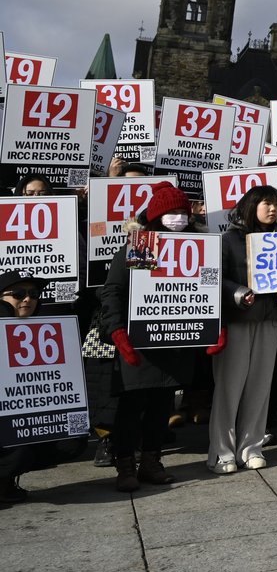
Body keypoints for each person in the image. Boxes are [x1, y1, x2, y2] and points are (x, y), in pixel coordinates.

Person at [98, 180, 211, 492]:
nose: (178, 218)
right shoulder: (143, 246)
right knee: (131, 409)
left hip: (175, 343)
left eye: (182, 212)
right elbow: (114, 292)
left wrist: (216, 328)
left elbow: (207, 289)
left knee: (162, 408)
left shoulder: (198, 247)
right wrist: (118, 331)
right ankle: (124, 465)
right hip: (140, 342)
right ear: (156, 216)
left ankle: (151, 462)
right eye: (171, 212)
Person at [211, 185, 277, 474]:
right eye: (267, 204)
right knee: (229, 390)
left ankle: (251, 447)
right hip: (237, 322)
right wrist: (238, 292)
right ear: (251, 206)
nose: (273, 209)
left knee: (260, 388)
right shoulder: (229, 240)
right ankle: (221, 453)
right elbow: (215, 278)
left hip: (271, 320)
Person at [0, 270, 88, 502]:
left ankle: (7, 480)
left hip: (29, 412)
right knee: (14, 443)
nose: (27, 299)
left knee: (72, 440)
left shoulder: (51, 329)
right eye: (18, 293)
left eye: (34, 293)